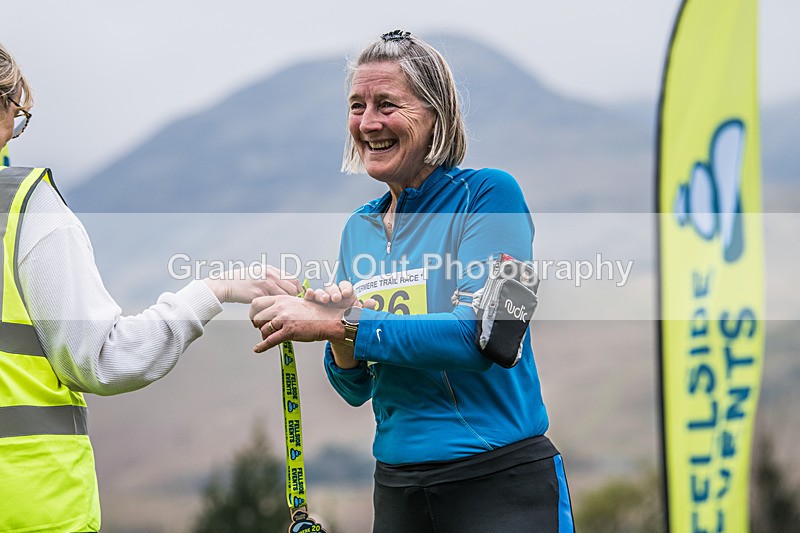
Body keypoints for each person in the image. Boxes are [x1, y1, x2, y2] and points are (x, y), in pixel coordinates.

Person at [249, 31, 575, 532]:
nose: (368, 122)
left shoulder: (494, 196)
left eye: (386, 104)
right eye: (357, 105)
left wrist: (344, 324)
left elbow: (486, 337)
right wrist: (334, 334)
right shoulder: (357, 228)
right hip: (399, 493)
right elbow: (354, 387)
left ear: (435, 115)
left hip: (500, 485)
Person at [0, 42, 300, 533]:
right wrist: (212, 291)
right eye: (20, 114)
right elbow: (103, 358)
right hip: (30, 508)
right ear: (5, 112)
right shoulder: (26, 212)